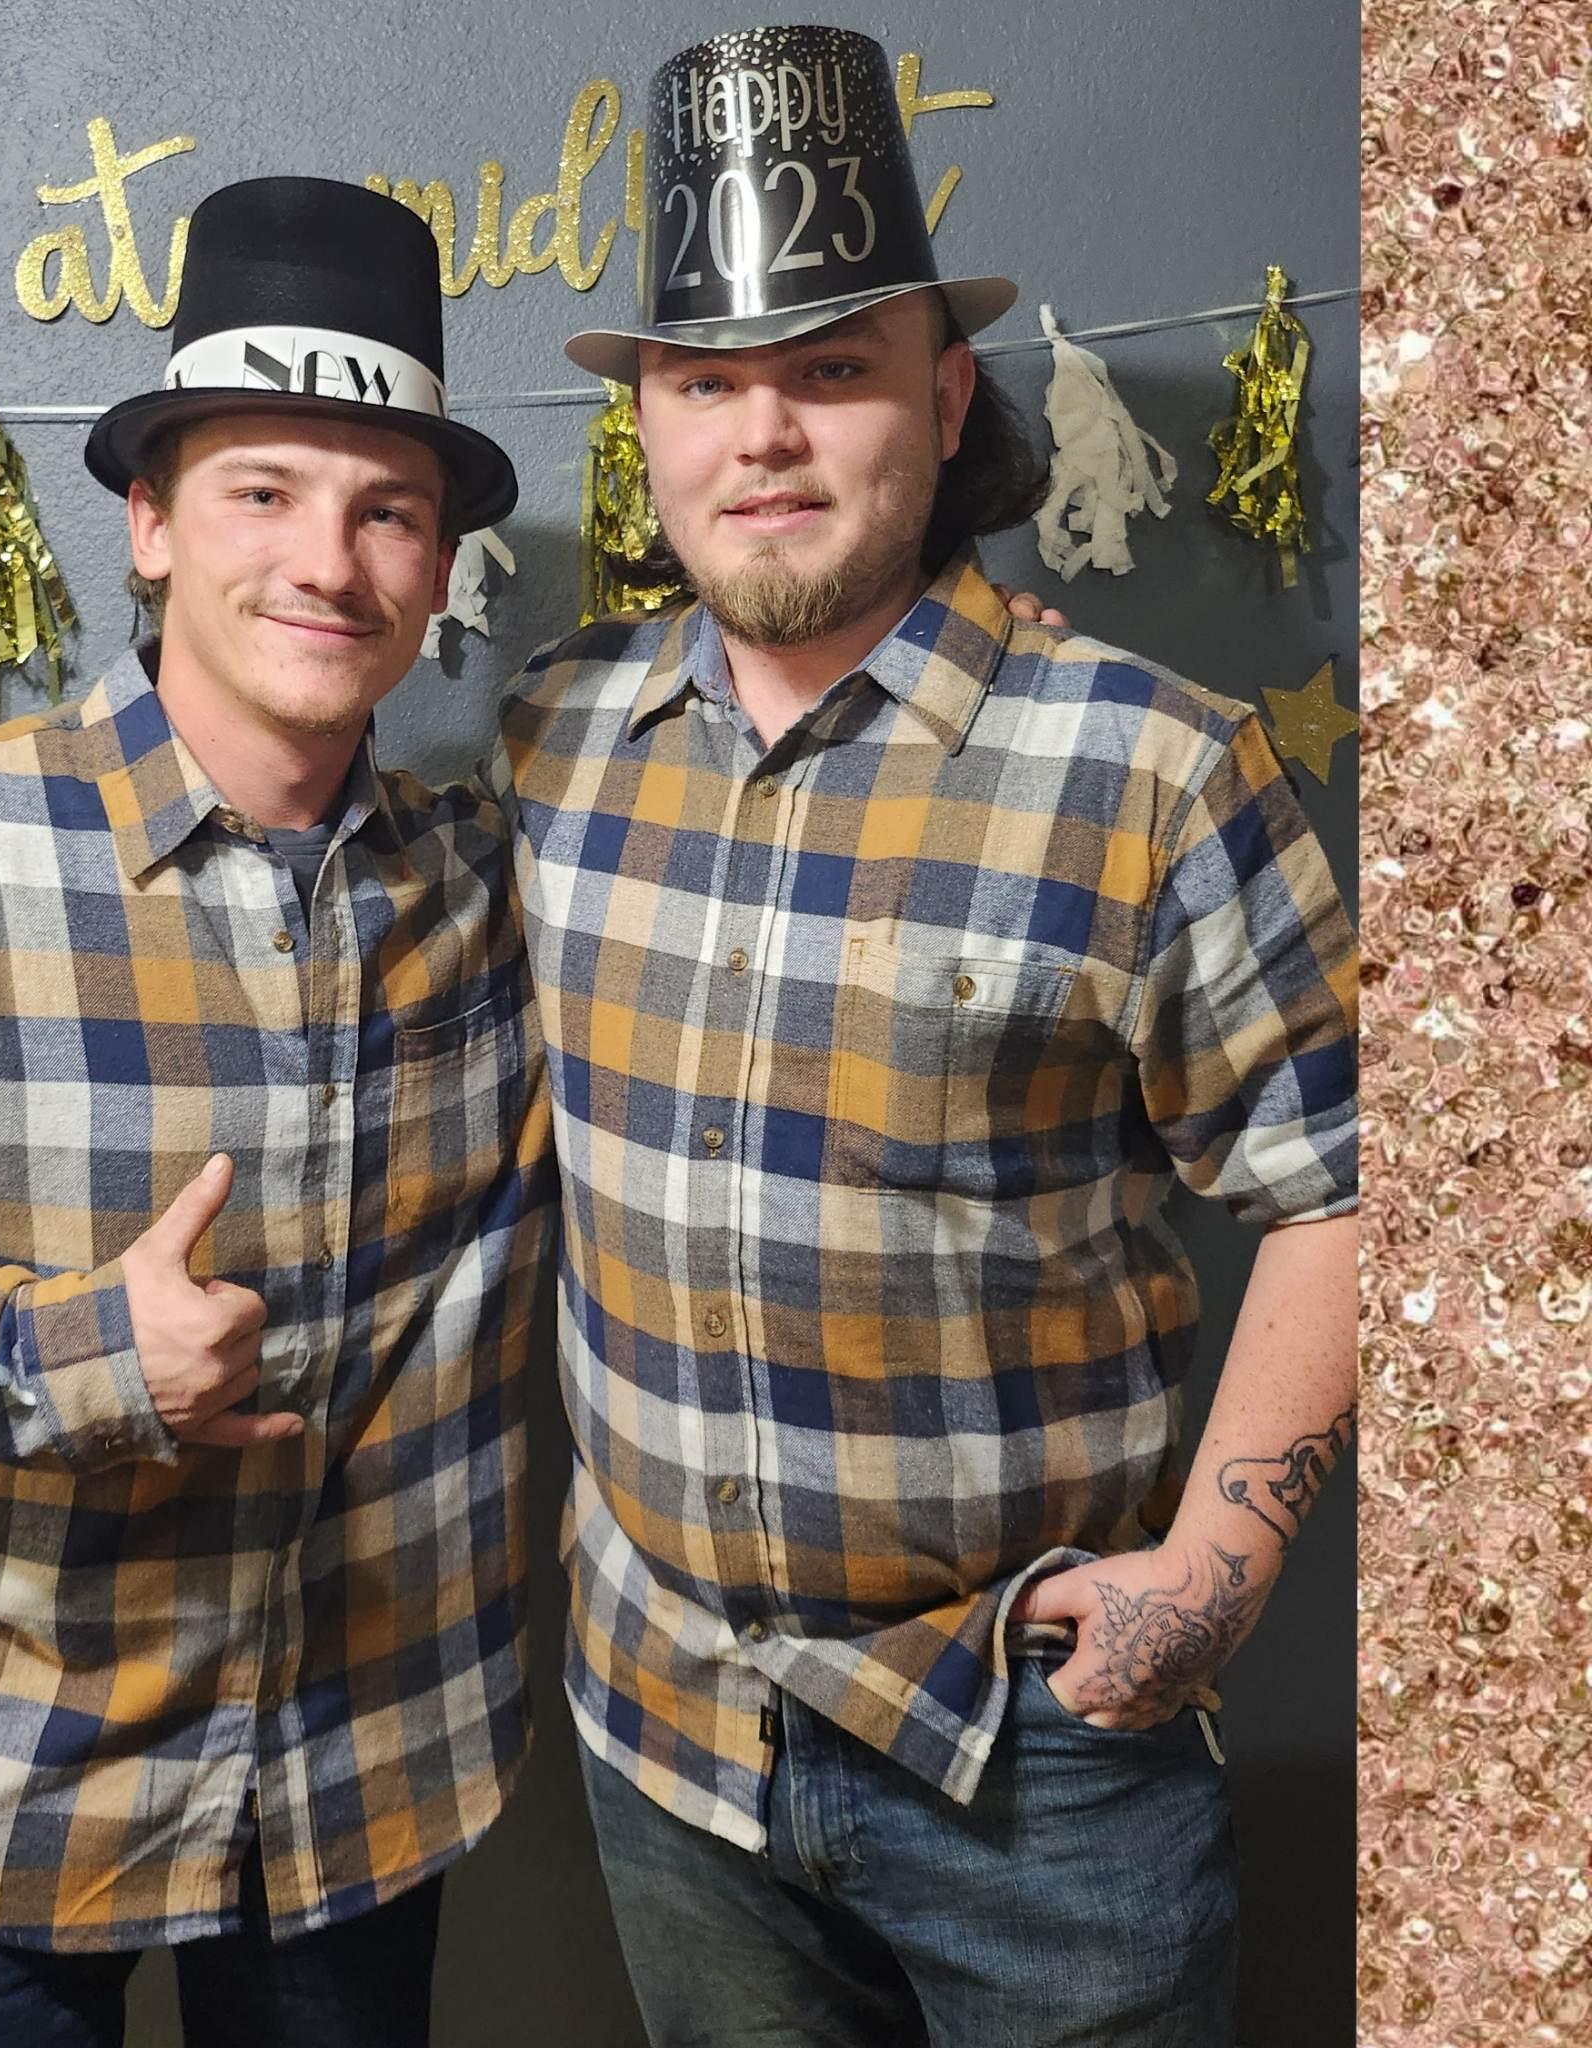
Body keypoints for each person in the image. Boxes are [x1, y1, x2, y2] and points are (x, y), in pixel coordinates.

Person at [495, 26, 1359, 2048]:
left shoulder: (1154, 769)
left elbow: (1349, 1185)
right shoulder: (554, 735)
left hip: (1036, 1765)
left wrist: (1205, 1588)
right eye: (705, 384)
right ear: (648, 424)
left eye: (831, 371)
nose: (763, 438)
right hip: (667, 1735)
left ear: (945, 395)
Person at [0, 176, 555, 2048]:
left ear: (439, 562)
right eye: (261, 492)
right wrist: (73, 1356)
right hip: (3, 1790)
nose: (328, 561)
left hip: (369, 1775)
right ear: (148, 523)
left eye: (388, 510)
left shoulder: (499, 876)